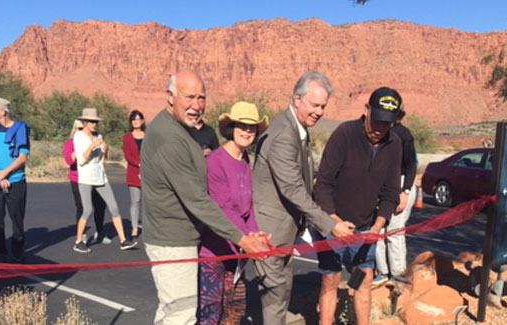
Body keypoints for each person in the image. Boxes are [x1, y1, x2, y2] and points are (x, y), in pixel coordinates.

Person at [140, 70, 269, 324]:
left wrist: (248, 234)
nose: (197, 105)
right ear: (170, 96)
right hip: (172, 242)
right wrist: (242, 238)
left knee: (171, 312)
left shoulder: (177, 129)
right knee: (182, 316)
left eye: (202, 98)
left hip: (180, 238)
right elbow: (198, 200)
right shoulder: (168, 138)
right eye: (189, 97)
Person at [252, 71, 355, 325]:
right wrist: (331, 225)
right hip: (271, 231)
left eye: (323, 106)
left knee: (281, 292)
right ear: (297, 99)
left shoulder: (298, 129)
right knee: (276, 297)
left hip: (285, 230)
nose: (319, 112)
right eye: (315, 105)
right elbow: (293, 189)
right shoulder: (284, 134)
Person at [313, 87, 403, 325]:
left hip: (366, 227)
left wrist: (378, 226)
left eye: (387, 123)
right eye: (377, 120)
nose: (379, 128)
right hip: (332, 224)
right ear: (366, 110)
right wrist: (334, 222)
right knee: (330, 281)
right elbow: (322, 185)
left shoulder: (394, 144)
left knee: (363, 281)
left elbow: (390, 192)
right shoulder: (345, 134)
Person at [198, 101, 268, 324]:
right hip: (214, 253)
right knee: (210, 312)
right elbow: (224, 208)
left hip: (237, 249)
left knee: (235, 309)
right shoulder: (216, 161)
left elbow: (247, 207)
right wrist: (248, 239)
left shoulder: (246, 160)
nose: (247, 131)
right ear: (231, 127)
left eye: (251, 127)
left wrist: (256, 234)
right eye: (241, 125)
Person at [73, 108, 137, 253]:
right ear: (85, 122)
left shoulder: (99, 136)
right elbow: (82, 160)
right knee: (88, 209)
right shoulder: (79, 137)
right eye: (92, 121)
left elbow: (102, 161)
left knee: (114, 207)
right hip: (86, 178)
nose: (95, 124)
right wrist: (92, 146)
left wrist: (105, 151)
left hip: (100, 177)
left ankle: (123, 240)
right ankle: (78, 241)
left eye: (96, 122)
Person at [0, 98, 30, 263]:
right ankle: (0, 252)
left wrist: (5, 174)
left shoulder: (20, 129)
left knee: (17, 217)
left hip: (15, 181)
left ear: (2, 111)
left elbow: (23, 157)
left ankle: (17, 250)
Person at [374, 108, 418, 286]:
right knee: (378, 229)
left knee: (394, 230)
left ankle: (398, 272)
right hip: (382, 183)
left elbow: (411, 166)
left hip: (400, 183)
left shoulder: (402, 135)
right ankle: (383, 271)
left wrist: (405, 191)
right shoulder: (379, 134)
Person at [63, 119, 111, 245]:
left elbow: (101, 159)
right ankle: (82, 234)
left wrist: (103, 151)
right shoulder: (70, 143)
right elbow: (69, 161)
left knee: (100, 205)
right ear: (75, 130)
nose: (82, 131)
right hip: (77, 178)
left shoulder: (93, 139)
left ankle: (100, 232)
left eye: (82, 128)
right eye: (79, 129)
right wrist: (79, 151)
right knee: (83, 207)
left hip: (94, 177)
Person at [122, 110, 145, 239]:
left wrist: (146, 165)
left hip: (148, 173)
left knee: (148, 202)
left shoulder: (148, 136)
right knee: (135, 201)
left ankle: (148, 227)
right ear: (131, 122)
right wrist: (138, 163)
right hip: (133, 172)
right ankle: (135, 227)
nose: (136, 122)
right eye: (133, 120)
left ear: (142, 121)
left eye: (138, 119)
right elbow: (127, 155)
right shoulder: (127, 138)